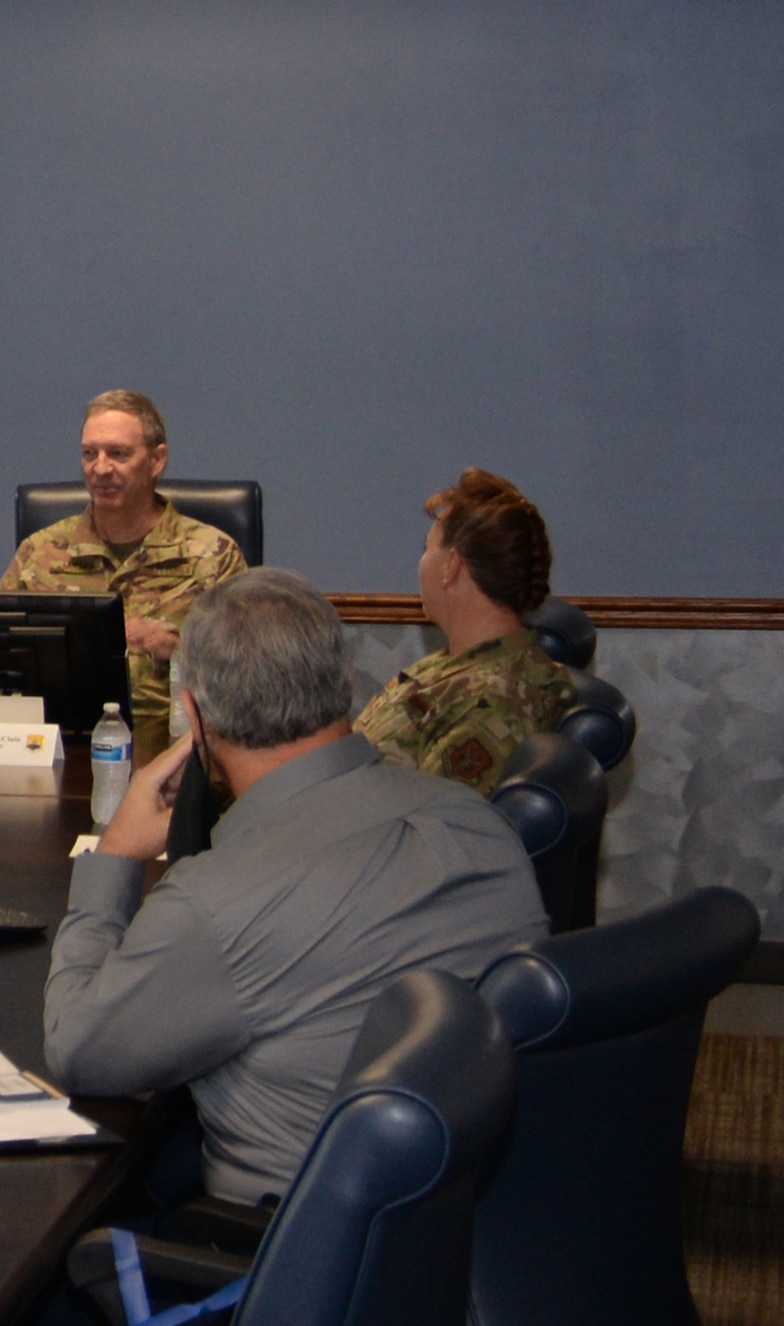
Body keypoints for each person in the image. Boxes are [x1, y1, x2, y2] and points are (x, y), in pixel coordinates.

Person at [45, 568, 545, 1206]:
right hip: (476, 1223)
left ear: (193, 717)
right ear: (346, 684)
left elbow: (77, 1050)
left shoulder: (215, 903)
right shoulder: (480, 822)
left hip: (289, 1263)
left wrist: (115, 855)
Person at [0, 390, 246, 764]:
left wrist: (173, 649)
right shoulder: (40, 553)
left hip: (177, 757)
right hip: (59, 752)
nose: (100, 469)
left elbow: (251, 678)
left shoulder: (212, 555)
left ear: (156, 460)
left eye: (118, 454)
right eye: (89, 454)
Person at [355, 469, 574, 795]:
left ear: (451, 566)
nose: (422, 562)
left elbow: (437, 833)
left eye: (426, 549)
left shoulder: (487, 704)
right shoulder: (459, 663)